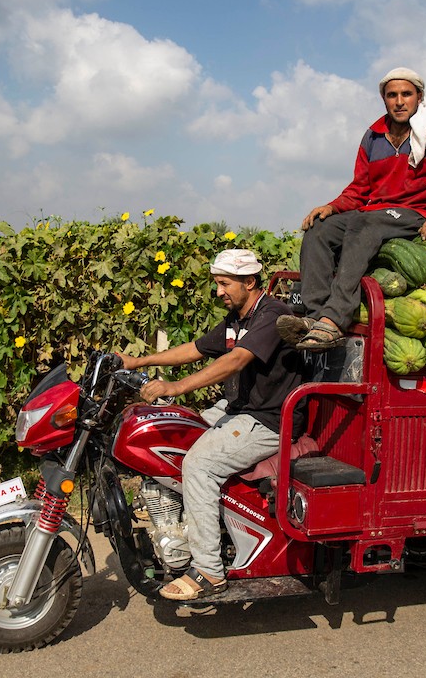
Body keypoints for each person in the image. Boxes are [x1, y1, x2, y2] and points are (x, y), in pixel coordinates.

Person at [118, 248, 305, 600]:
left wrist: (176, 386)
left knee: (198, 465)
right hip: (235, 408)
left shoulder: (272, 315)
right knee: (173, 436)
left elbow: (236, 360)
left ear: (249, 282)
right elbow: (196, 348)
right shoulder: (238, 317)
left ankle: (208, 570)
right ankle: (187, 527)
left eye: (224, 284)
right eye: (217, 283)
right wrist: (135, 361)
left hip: (268, 419)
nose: (218, 291)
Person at [280, 67, 426, 350]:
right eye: (392, 95)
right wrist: (332, 207)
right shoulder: (373, 135)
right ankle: (317, 315)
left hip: (416, 213)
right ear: (383, 99)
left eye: (406, 94)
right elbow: (360, 188)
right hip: (376, 213)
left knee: (365, 223)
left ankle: (336, 319)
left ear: (419, 97)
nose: (399, 101)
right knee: (319, 228)